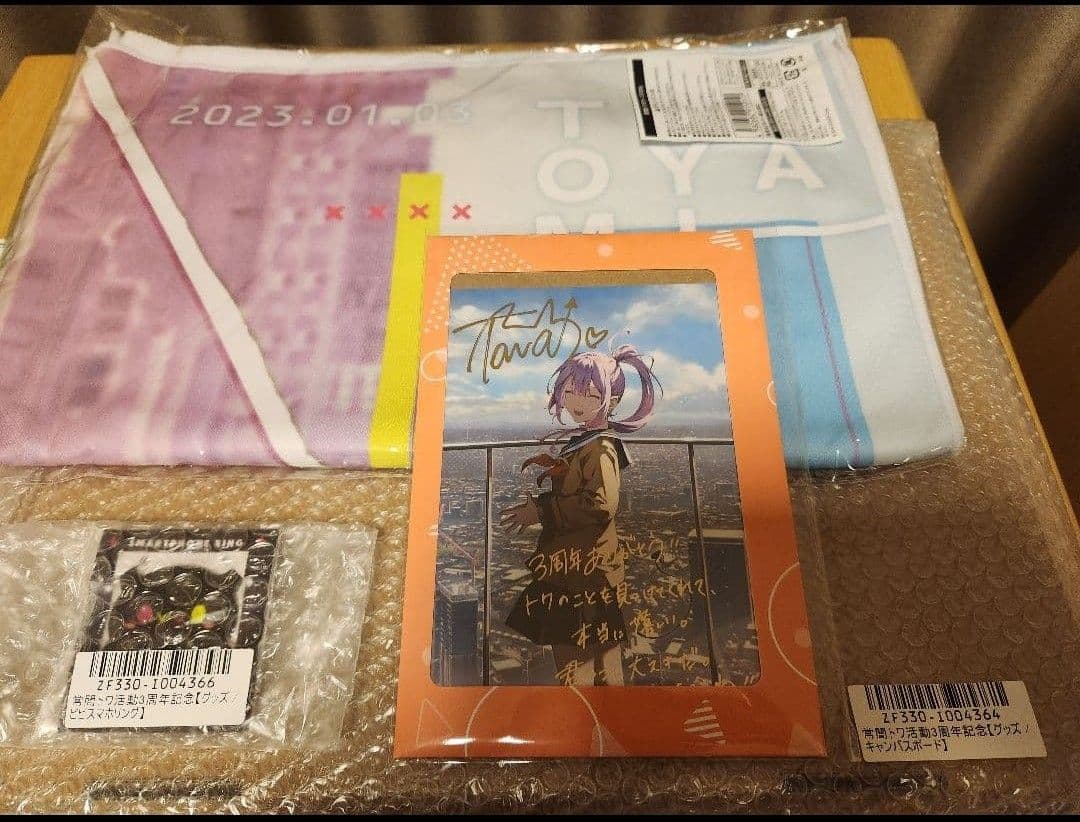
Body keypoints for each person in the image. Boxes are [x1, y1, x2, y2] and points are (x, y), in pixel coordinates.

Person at [500, 345, 660, 686]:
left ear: (611, 401)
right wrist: (558, 474)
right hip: (584, 567)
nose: (576, 401)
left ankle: (584, 713)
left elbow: (600, 504)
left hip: (582, 570)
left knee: (578, 659)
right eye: (570, 391)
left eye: (589, 394)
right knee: (601, 654)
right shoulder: (589, 442)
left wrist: (541, 511)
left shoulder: (599, 448)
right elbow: (584, 490)